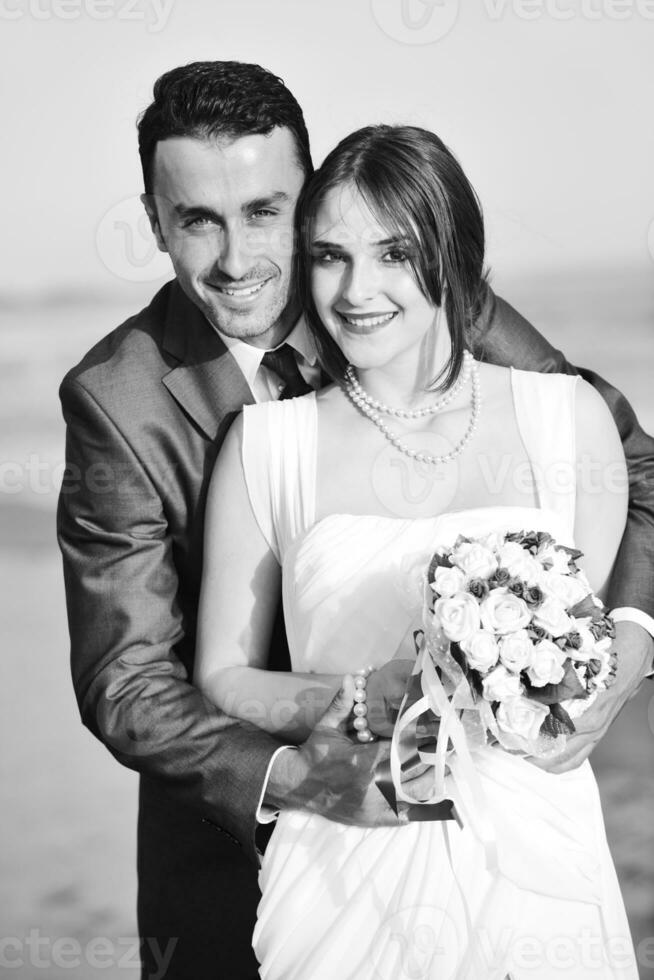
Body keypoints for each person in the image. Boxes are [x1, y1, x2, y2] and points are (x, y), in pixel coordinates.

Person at [56, 62, 654, 979]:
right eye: (196, 220)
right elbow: (129, 682)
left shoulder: (413, 298)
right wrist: (309, 779)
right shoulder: (118, 400)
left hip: (512, 841)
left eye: (264, 212)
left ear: (309, 197)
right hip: (246, 854)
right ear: (154, 222)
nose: (237, 259)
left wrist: (621, 644)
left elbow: (627, 455)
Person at [194, 124, 643, 978]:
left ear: (453, 255)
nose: (357, 290)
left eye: (394, 253)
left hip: (537, 852)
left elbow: (584, 652)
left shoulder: (566, 422)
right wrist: (361, 697)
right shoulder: (264, 446)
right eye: (329, 256)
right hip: (353, 847)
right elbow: (223, 675)